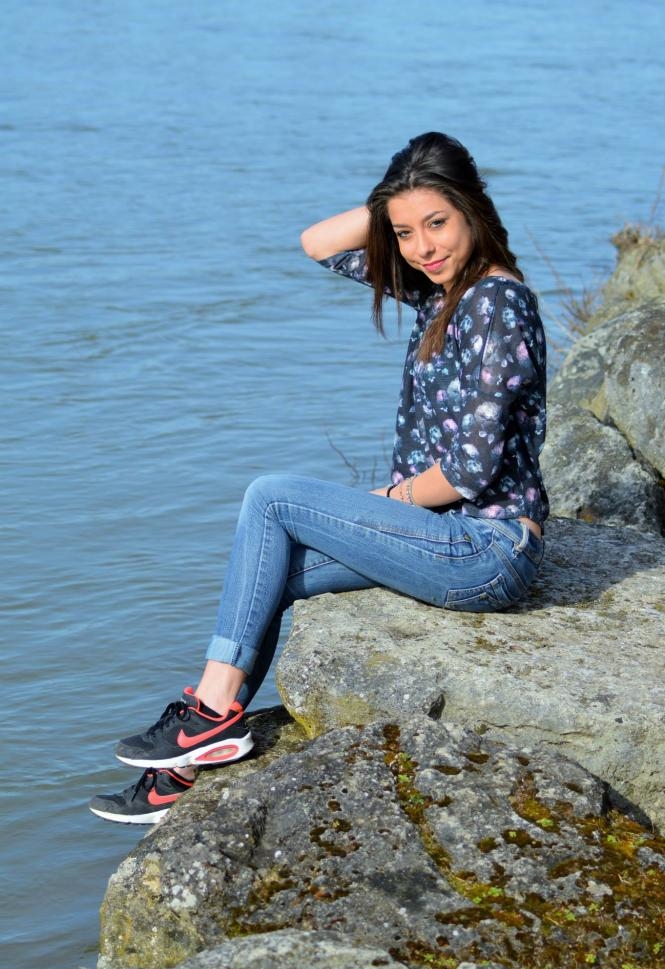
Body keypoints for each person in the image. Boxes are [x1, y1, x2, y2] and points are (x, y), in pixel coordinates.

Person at [89, 131, 548, 824]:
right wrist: (396, 204)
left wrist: (385, 499)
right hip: (442, 537)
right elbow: (316, 242)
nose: (422, 247)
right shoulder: (441, 289)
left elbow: (470, 470)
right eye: (405, 233)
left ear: (473, 211)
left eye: (438, 223)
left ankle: (206, 715)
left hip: (485, 549)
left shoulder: (496, 304)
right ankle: (189, 763)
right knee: (269, 570)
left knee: (271, 498)